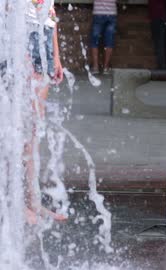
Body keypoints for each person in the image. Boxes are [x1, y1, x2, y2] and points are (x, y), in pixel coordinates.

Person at [25, 0, 66, 223]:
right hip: (20, 37)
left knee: (33, 129)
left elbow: (50, 12)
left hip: (43, 37)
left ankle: (33, 201)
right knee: (18, 128)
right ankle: (15, 203)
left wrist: (56, 57)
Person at [89, 0, 117, 75]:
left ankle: (95, 67)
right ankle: (106, 67)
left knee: (94, 41)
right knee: (109, 41)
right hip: (111, 13)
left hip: (98, 12)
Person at [148, 0, 166, 69]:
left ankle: (162, 67)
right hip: (165, 15)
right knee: (165, 43)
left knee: (159, 43)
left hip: (157, 15)